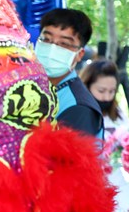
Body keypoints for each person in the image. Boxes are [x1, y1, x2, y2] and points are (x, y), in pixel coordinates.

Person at [35, 9, 103, 138]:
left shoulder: (79, 109)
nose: (52, 48)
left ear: (79, 55)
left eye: (64, 43)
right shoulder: (29, 87)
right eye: (46, 39)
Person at [80, 59, 127, 135]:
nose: (107, 98)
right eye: (101, 91)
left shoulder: (118, 113)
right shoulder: (78, 116)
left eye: (111, 91)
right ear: (87, 87)